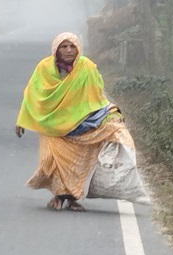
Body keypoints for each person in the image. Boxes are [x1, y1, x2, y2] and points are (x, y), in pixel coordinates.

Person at [15, 32, 139, 211]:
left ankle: (70, 198)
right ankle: (58, 196)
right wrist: (22, 120)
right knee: (50, 161)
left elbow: (97, 97)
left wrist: (112, 114)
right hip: (51, 124)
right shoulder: (44, 68)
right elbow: (32, 96)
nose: (68, 50)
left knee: (75, 165)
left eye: (72, 46)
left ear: (78, 48)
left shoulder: (86, 67)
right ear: (56, 50)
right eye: (64, 46)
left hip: (79, 123)